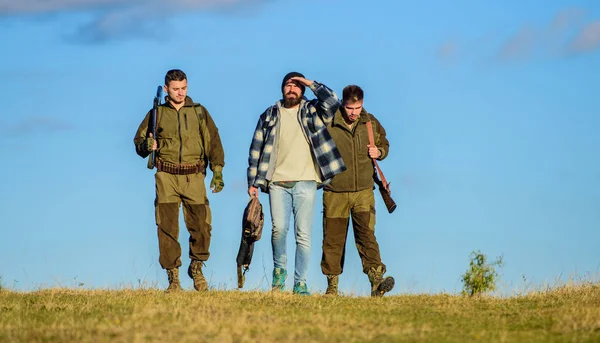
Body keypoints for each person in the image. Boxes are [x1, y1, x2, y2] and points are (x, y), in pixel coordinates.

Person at [247, 72, 346, 295]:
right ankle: (279, 275)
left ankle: (300, 283)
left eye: (297, 86)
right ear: (282, 88)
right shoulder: (270, 114)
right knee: (278, 230)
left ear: (302, 90)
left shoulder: (312, 110)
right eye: (288, 85)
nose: (292, 89)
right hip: (277, 182)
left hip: (307, 181)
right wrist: (253, 181)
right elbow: (256, 148)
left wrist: (311, 84)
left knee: (303, 235)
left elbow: (333, 102)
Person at [133, 69, 225, 292]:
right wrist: (147, 145)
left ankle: (196, 267)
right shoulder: (156, 113)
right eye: (175, 89)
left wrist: (218, 171)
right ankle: (173, 278)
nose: (180, 92)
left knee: (202, 226)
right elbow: (139, 141)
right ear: (166, 89)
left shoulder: (199, 112)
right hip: (166, 176)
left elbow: (214, 141)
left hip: (194, 175)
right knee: (167, 228)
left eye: (184, 88)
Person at [320, 85, 395, 297]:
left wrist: (379, 152)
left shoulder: (370, 123)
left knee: (367, 236)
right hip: (335, 191)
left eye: (358, 107)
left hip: (364, 190)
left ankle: (376, 282)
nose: (354, 113)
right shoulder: (330, 122)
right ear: (343, 104)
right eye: (350, 108)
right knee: (333, 240)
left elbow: (385, 144)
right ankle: (332, 287)